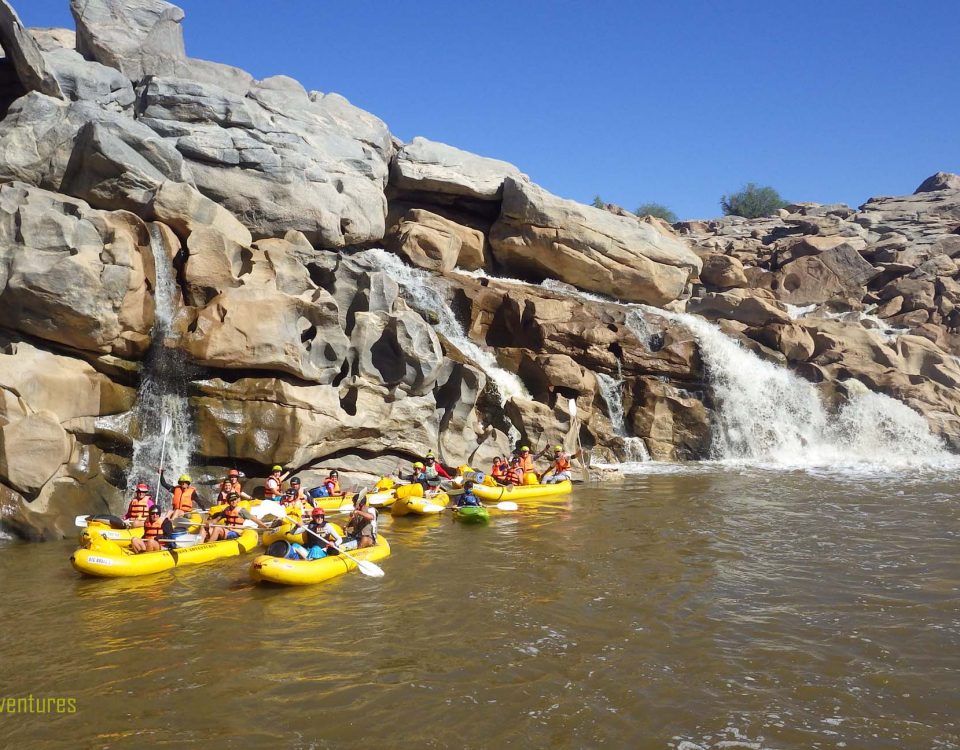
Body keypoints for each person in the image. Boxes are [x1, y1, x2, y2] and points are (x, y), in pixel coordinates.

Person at [202, 493, 269, 542]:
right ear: (228, 501)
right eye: (231, 500)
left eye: (235, 500)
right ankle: (199, 545)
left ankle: (208, 545)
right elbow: (216, 520)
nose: (233, 502)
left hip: (236, 532)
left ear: (237, 500)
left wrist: (266, 527)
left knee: (217, 528)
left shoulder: (241, 511)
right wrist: (207, 523)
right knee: (205, 528)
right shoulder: (226, 510)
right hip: (227, 530)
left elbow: (254, 519)